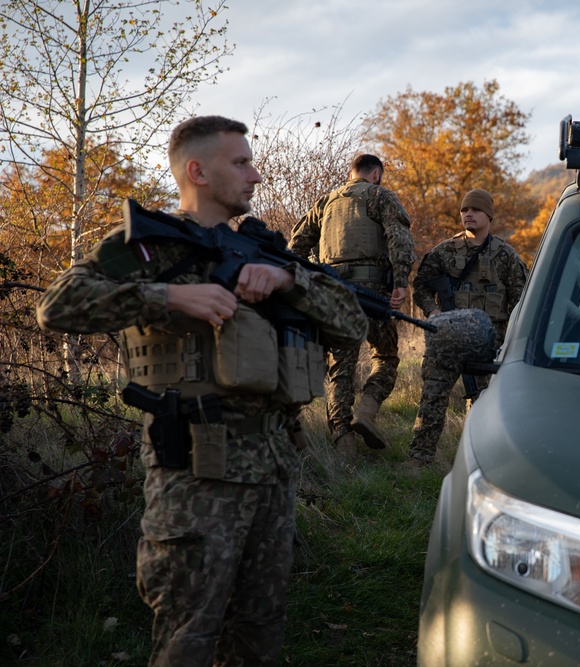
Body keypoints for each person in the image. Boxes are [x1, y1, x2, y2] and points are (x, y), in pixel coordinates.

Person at [36, 115, 368, 666]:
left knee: (259, 632)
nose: (256, 176)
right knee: (188, 635)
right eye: (240, 163)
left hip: (273, 467)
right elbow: (57, 307)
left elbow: (354, 322)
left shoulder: (267, 255)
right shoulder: (149, 247)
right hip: (194, 476)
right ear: (197, 170)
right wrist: (166, 297)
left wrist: (292, 281)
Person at [289, 154, 415, 458]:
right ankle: (366, 412)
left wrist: (314, 277)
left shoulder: (325, 202)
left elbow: (295, 246)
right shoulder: (380, 195)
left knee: (340, 367)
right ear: (375, 174)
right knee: (384, 355)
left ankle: (342, 437)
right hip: (373, 295)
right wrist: (400, 281)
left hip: (334, 294)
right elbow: (399, 238)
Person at [407, 188, 528, 466]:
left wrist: (511, 339)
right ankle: (419, 459)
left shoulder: (505, 256)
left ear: (489, 215)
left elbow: (521, 301)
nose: (468, 214)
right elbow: (422, 286)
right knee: (433, 396)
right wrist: (433, 310)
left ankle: (479, 459)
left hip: (487, 343)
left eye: (474, 210)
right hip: (447, 337)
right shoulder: (445, 251)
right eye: (464, 210)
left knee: (484, 403)